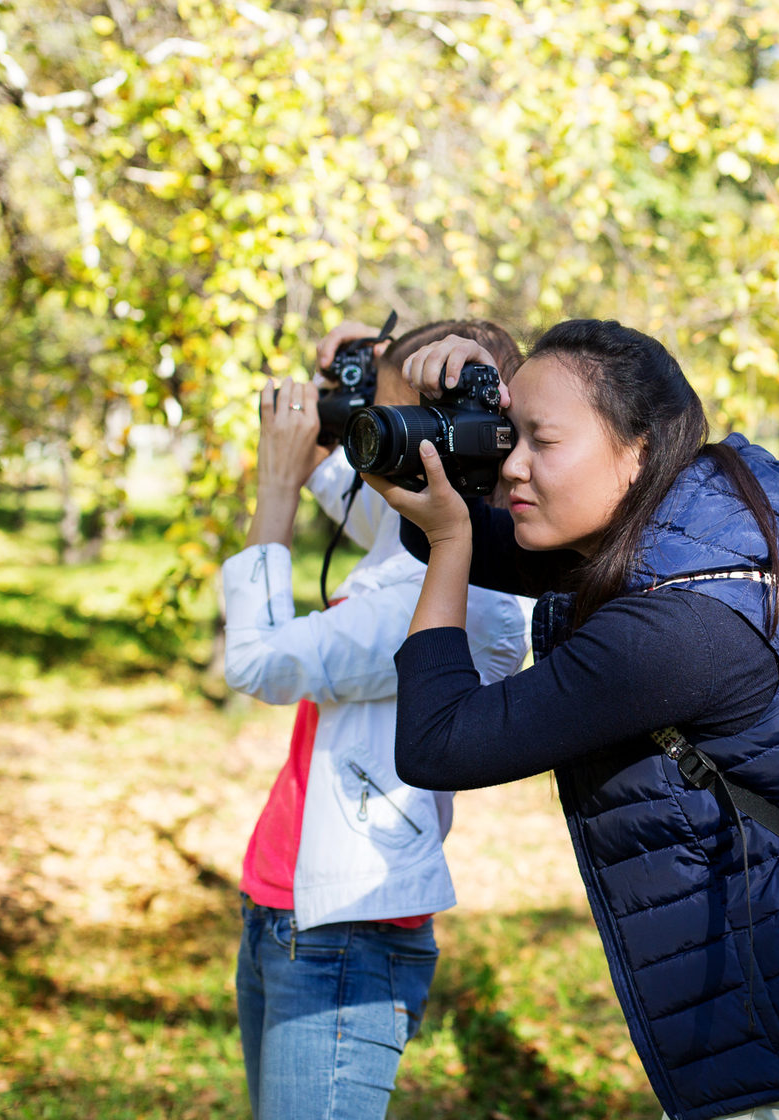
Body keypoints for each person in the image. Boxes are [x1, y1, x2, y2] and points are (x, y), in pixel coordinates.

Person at [362, 319, 779, 1120]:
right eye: (509, 434)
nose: (513, 466)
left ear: (636, 447)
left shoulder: (673, 633)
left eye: (541, 441)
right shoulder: (706, 506)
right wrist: (461, 412)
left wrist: (452, 540)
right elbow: (465, 530)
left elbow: (437, 743)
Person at [222, 319, 531, 1119]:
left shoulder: (452, 593)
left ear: (465, 443)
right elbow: (365, 506)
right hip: (286, 904)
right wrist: (348, 391)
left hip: (344, 936)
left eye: (400, 427)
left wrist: (275, 488)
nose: (378, 448)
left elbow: (257, 660)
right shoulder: (417, 547)